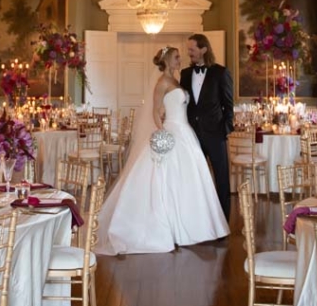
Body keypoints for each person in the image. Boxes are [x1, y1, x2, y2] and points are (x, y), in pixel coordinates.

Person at [96, 46, 229, 255]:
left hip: (186, 133)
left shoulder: (177, 81)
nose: (180, 60)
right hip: (172, 132)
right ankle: (167, 227)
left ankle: (194, 226)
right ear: (167, 60)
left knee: (191, 179)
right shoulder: (162, 83)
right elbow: (155, 112)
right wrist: (162, 132)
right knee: (166, 180)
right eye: (176, 57)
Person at [180, 34, 234, 220]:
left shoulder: (221, 72)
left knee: (221, 177)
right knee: (195, 178)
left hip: (216, 133)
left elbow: (229, 105)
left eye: (192, 50)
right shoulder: (185, 74)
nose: (189, 53)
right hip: (192, 135)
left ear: (203, 49)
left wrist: (225, 130)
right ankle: (199, 219)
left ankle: (223, 221)